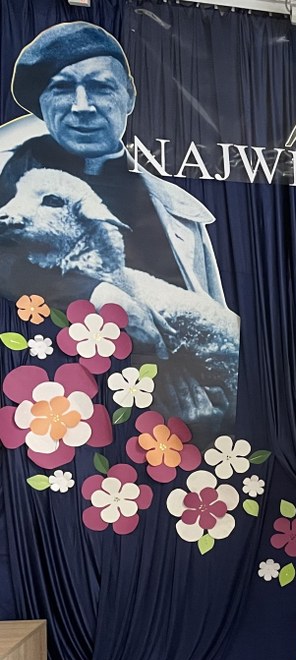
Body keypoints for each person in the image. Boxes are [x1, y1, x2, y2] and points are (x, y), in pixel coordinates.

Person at [0, 21, 238, 443]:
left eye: (100, 87)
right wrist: (100, 295)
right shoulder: (10, 187)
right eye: (61, 88)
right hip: (50, 414)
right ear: (41, 102)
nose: (82, 106)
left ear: (129, 94)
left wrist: (217, 402)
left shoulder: (176, 207)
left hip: (165, 434)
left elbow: (216, 327)